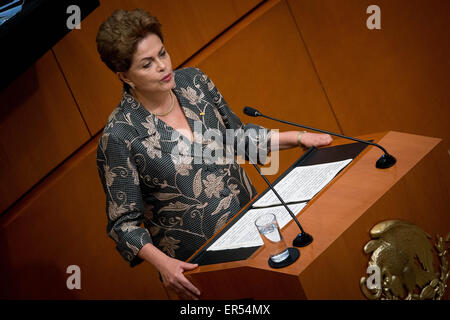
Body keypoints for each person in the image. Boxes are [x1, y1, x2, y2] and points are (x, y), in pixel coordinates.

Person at [95, 9, 332, 300]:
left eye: (163, 53)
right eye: (147, 64)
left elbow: (238, 138)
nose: (162, 66)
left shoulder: (194, 83)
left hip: (257, 234)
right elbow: (123, 224)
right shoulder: (119, 136)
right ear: (124, 76)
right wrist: (164, 265)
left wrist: (298, 137)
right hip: (203, 269)